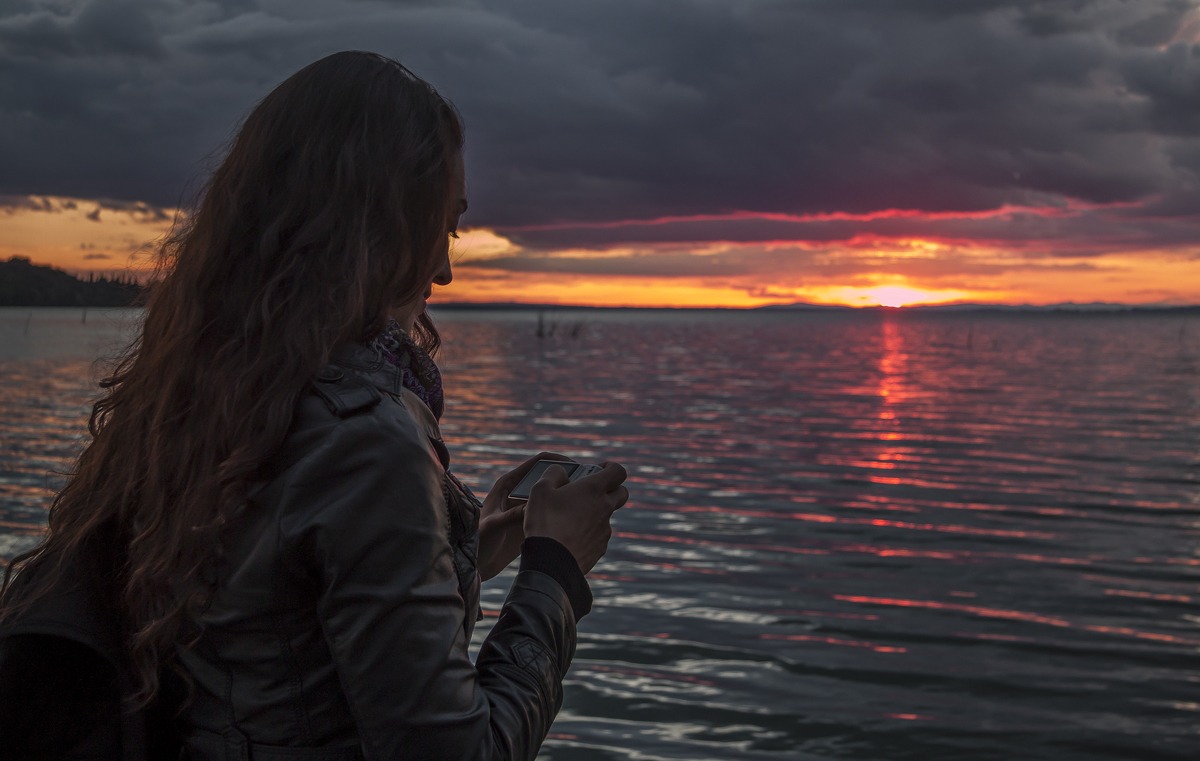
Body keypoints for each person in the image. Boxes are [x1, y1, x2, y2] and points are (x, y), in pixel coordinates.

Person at [0, 51, 629, 760]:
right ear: (378, 226)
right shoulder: (367, 441)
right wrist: (555, 572)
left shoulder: (201, 392)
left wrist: (461, 551)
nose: (446, 270)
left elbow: (269, 620)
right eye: (443, 228)